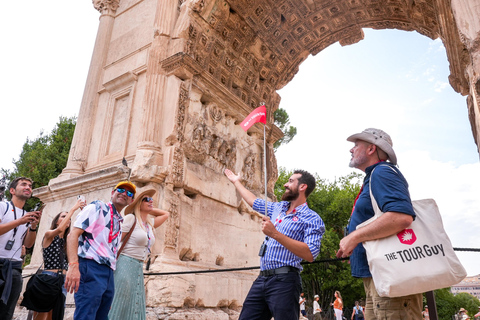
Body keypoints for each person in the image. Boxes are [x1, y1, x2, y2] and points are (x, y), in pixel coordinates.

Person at [336, 128, 422, 320]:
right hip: (379, 275)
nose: (351, 150)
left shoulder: (382, 172)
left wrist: (355, 236)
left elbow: (401, 217)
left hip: (389, 275)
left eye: (356, 145)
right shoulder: (375, 175)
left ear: (371, 149)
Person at [224, 169, 325, 320]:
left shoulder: (312, 218)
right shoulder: (279, 207)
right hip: (262, 278)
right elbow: (254, 202)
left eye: (291, 181)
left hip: (285, 281)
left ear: (303, 187)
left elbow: (310, 254)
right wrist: (236, 182)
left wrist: (275, 234)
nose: (285, 184)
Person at [65, 180, 136, 320]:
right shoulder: (97, 207)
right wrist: (73, 265)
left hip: (108, 271)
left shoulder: (120, 222)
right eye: (120, 190)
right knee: (85, 315)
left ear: (131, 201)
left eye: (129, 193)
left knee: (101, 316)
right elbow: (72, 235)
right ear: (112, 193)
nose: (124, 194)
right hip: (90, 266)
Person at [108, 188, 170, 320]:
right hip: (125, 263)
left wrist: (147, 208)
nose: (151, 201)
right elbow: (116, 241)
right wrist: (138, 207)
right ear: (138, 204)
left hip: (138, 267)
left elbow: (166, 214)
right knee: (120, 301)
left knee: (134, 303)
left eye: (152, 199)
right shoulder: (131, 218)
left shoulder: (148, 224)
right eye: (146, 199)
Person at [33, 198, 86, 320]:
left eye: (68, 218)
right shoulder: (49, 234)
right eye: (63, 216)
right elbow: (60, 230)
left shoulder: (68, 241)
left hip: (62, 281)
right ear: (57, 221)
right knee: (43, 314)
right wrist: (74, 208)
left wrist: (84, 212)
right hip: (48, 279)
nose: (67, 218)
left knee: (56, 315)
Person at [0, 177, 42, 320]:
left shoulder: (27, 215)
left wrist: (33, 227)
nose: (28, 187)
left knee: (7, 312)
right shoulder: (3, 206)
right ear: (12, 190)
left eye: (30, 186)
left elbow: (28, 244)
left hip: (14, 267)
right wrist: (19, 221)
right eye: (23, 184)